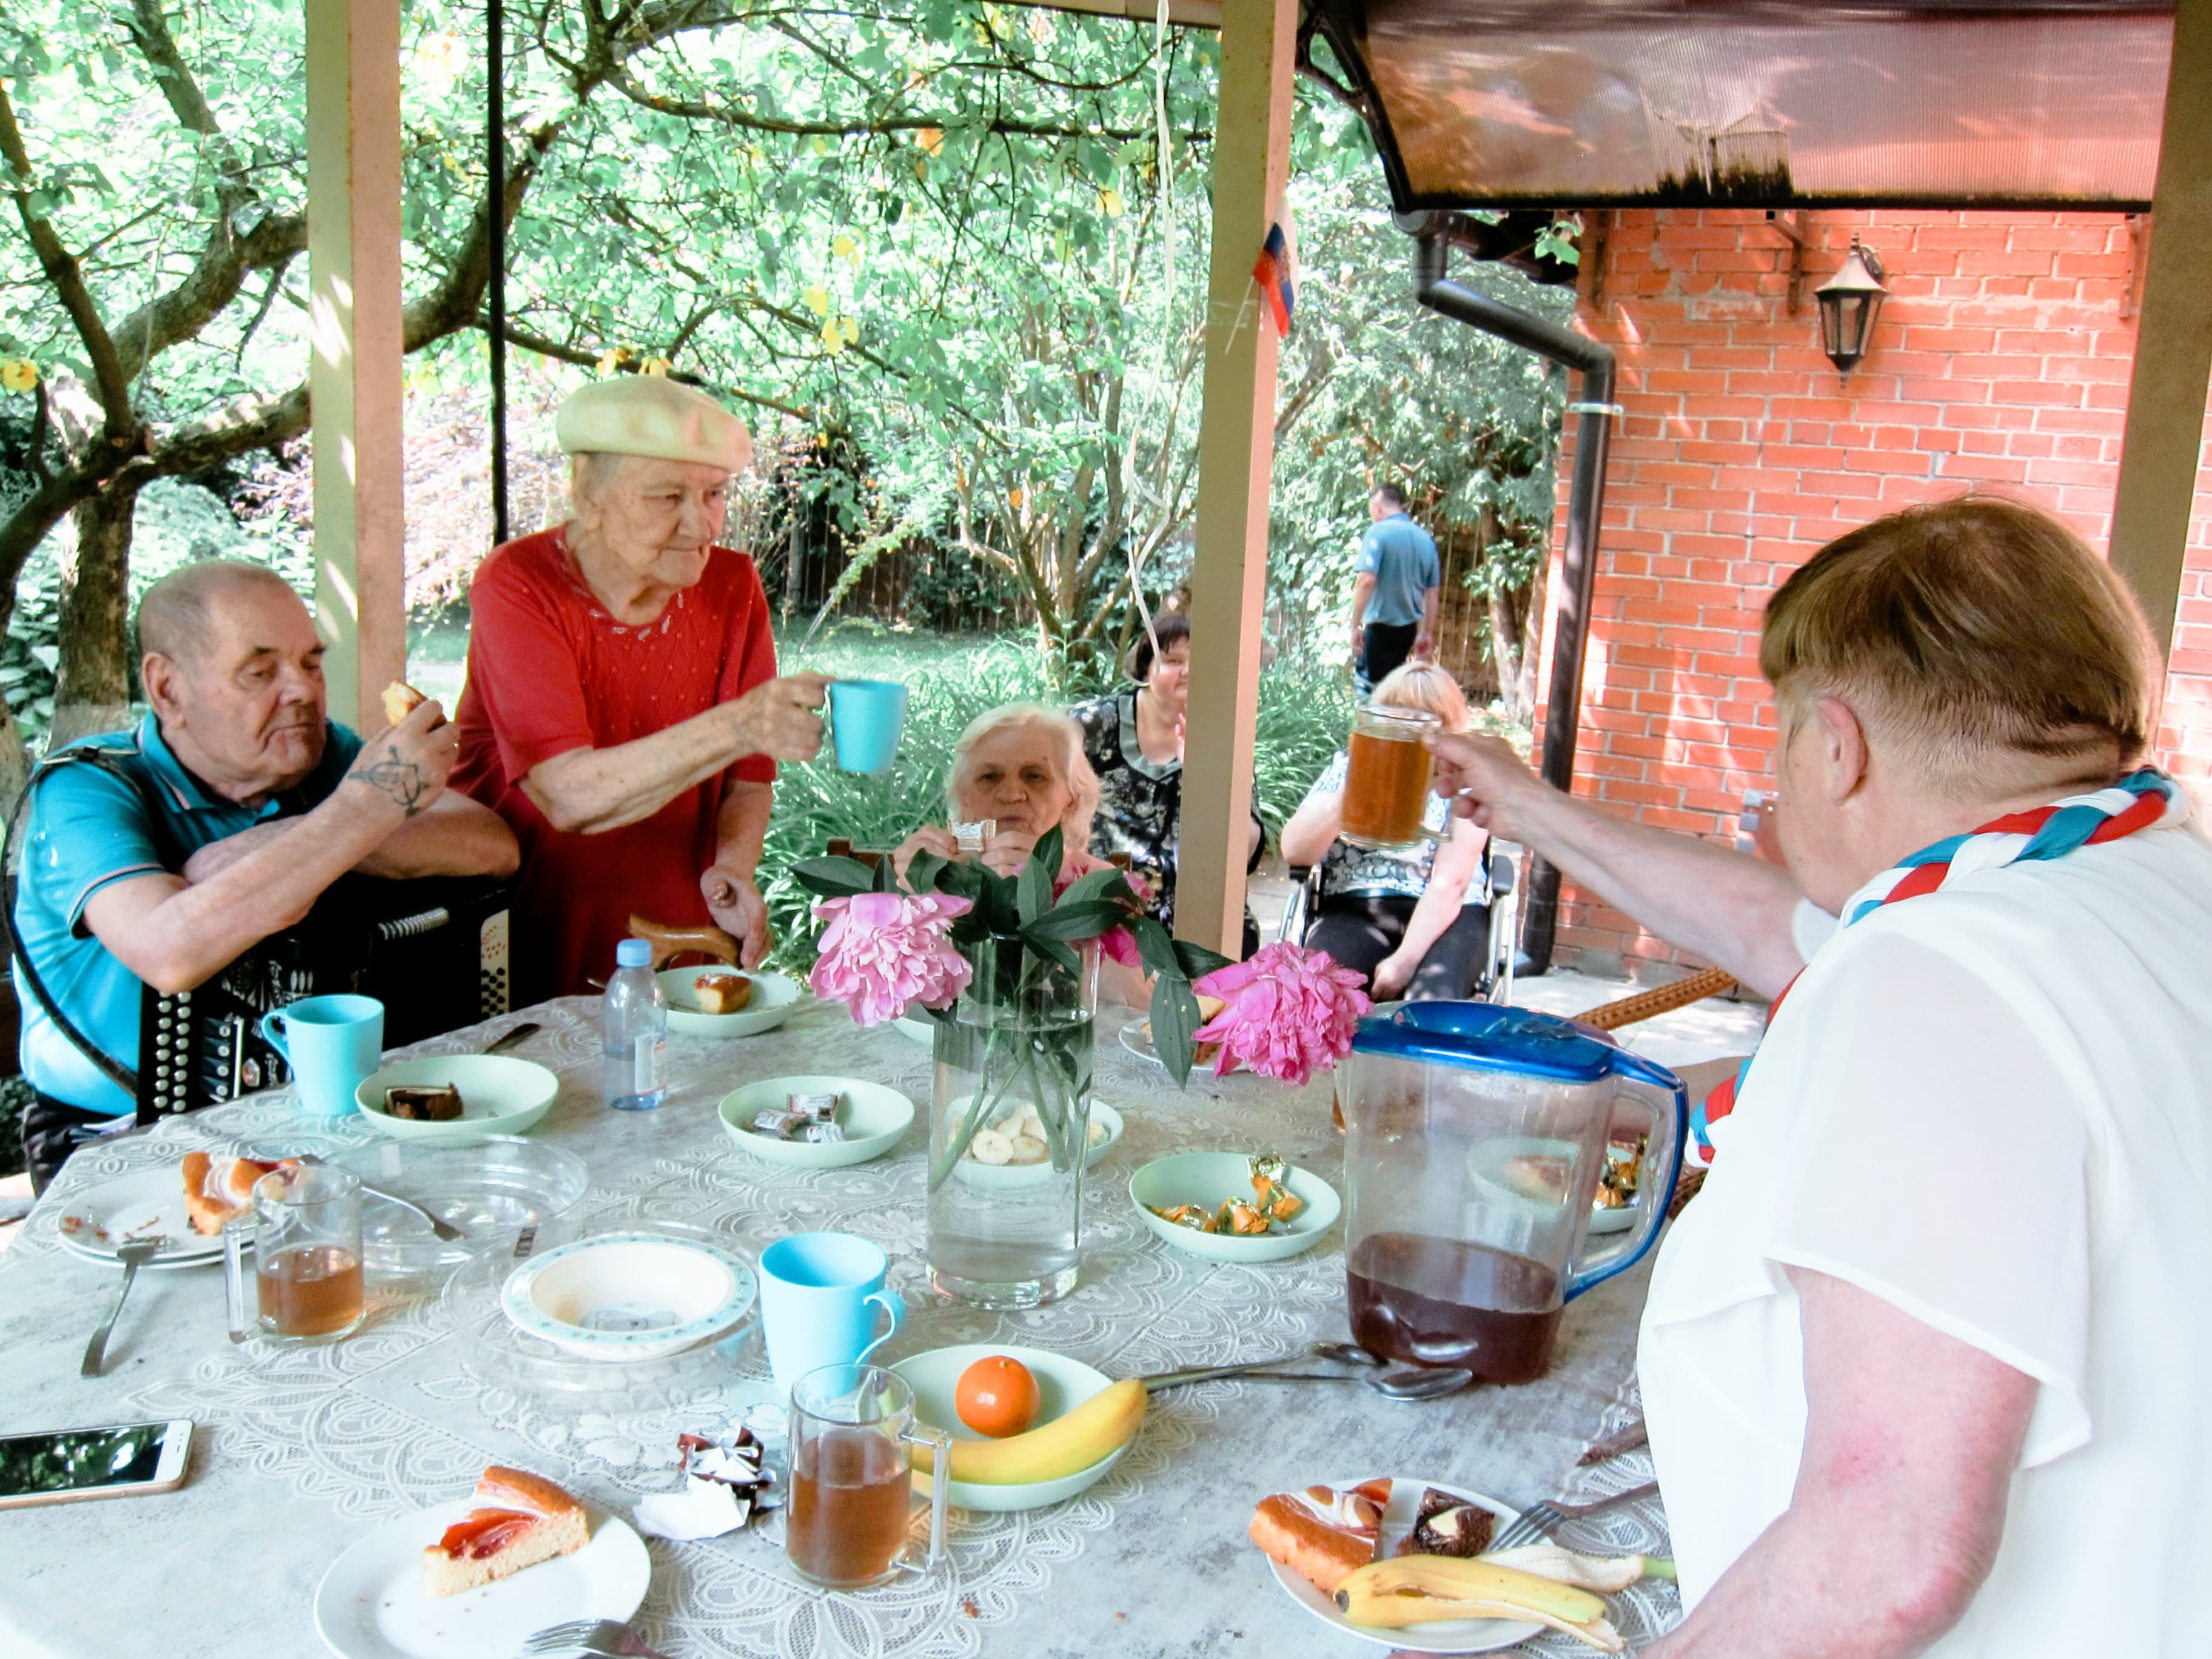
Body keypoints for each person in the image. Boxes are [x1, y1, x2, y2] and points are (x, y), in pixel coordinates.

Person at [1433, 497, 2212, 1658]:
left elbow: (1888, 1553)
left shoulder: (1935, 980)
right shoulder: (2128, 876)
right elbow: (1787, 932)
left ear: (1834, 745)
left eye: (1780, 726)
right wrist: (1530, 807)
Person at [9, 562, 518, 1189]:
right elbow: (169, 950)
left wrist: (289, 836)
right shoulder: (84, 789)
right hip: (121, 1136)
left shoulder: (319, 757)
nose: (302, 690)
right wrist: (364, 810)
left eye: (310, 663)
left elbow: (493, 847)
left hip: (307, 1125)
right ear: (167, 689)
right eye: (261, 671)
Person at [453, 375, 830, 999]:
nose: (701, 523)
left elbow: (748, 779)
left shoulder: (733, 585)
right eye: (666, 497)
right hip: (530, 917)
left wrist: (732, 867)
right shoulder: (519, 583)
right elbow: (567, 795)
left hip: (679, 922)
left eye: (714, 494)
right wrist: (741, 722)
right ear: (588, 495)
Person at [890, 703, 1144, 1005]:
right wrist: (913, 901)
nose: (1011, 794)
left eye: (1034, 776)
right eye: (990, 777)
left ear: (1072, 800)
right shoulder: (942, 872)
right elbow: (898, 1005)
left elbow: (1137, 1007)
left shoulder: (1103, 885)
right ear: (964, 798)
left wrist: (1053, 896)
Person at [1277, 663, 1490, 999]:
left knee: (1433, 1003)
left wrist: (1404, 961)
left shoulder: (1463, 783)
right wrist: (1357, 785)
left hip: (1449, 914)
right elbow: (1294, 850)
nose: (1407, 730)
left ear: (1448, 729)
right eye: (1396, 714)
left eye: (1425, 720)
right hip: (1355, 907)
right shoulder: (1346, 769)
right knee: (1321, 994)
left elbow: (1451, 883)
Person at [1068, 610, 1264, 957]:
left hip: (1203, 924)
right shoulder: (1091, 725)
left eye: (1201, 662)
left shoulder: (1225, 739)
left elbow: (1244, 852)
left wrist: (1209, 780)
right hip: (1107, 915)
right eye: (1174, 660)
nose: (1189, 671)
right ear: (1145, 670)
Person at [1349, 481, 1439, 694]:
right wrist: (1426, 633)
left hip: (1379, 630)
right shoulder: (1425, 540)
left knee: (1368, 694)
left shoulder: (1378, 532)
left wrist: (1354, 626)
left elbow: (1366, 580)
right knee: (1391, 695)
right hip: (1407, 632)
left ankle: (1366, 728)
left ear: (1378, 503)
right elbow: (1433, 592)